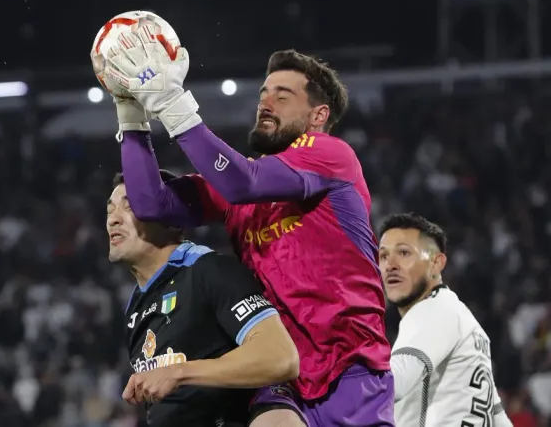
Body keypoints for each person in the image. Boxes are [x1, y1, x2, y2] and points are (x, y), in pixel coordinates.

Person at [102, 25, 393, 426]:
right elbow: (151, 204)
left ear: (318, 116)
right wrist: (130, 115)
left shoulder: (331, 156)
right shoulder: (243, 188)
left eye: (282, 95)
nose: (266, 102)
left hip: (349, 371)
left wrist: (172, 102)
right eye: (263, 94)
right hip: (277, 378)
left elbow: (242, 183)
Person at [107, 170, 300, 427]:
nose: (113, 220)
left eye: (129, 207)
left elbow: (280, 357)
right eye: (109, 210)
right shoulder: (135, 308)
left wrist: (179, 372)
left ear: (172, 219)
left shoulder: (208, 271)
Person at [377, 213, 513, 427]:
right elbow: (497, 418)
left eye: (404, 253)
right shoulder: (464, 321)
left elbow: (393, 384)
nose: (390, 265)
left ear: (436, 263)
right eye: (383, 256)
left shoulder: (433, 311)